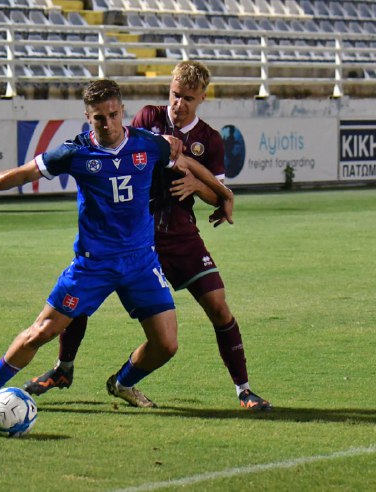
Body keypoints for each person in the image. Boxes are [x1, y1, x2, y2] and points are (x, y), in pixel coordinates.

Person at [0, 79, 234, 410]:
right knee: (42, 332)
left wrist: (225, 194)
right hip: (94, 265)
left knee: (166, 344)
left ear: (122, 111)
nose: (107, 123)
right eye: (98, 117)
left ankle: (122, 382)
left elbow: (185, 161)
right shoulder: (74, 152)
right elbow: (22, 174)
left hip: (141, 263)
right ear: (87, 117)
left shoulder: (150, 145)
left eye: (112, 114)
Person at [25, 62, 273, 411]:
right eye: (175, 95)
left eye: (188, 98)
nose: (179, 103)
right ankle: (63, 369)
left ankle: (243, 390)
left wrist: (201, 187)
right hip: (133, 234)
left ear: (202, 97)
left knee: (218, 306)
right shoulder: (147, 118)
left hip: (179, 234)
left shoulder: (211, 140)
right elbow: (127, 153)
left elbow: (216, 194)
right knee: (81, 294)